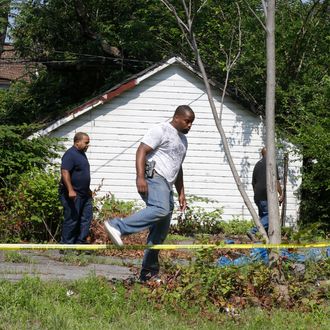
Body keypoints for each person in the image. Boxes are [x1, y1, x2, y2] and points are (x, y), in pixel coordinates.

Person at [104, 105, 195, 282]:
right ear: (176, 117)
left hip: (168, 184)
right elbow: (141, 151)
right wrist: (140, 177)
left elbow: (178, 167)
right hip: (154, 178)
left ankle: (148, 273)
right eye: (187, 121)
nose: (190, 125)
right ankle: (118, 226)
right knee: (160, 208)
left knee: (160, 232)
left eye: (192, 123)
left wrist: (181, 192)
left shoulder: (183, 141)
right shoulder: (161, 130)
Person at [60, 132, 93, 246]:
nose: (88, 145)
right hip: (74, 194)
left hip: (85, 194)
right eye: (86, 142)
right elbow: (65, 172)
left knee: (86, 219)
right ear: (77, 142)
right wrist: (70, 190)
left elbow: (81, 174)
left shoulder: (81, 154)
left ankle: (80, 244)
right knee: (72, 219)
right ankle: (66, 246)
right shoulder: (70, 154)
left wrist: (88, 189)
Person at [247, 147, 283, 241]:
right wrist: (281, 194)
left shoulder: (257, 164)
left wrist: (257, 194)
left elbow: (253, 183)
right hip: (266, 196)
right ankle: (253, 231)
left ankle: (266, 239)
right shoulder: (271, 164)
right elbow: (276, 181)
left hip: (258, 196)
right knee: (270, 217)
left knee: (263, 217)